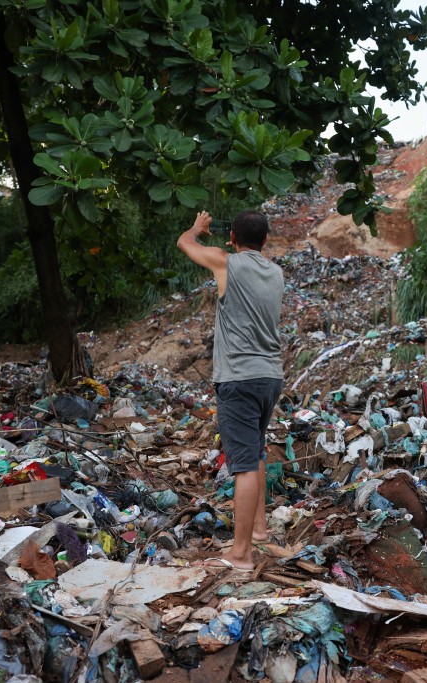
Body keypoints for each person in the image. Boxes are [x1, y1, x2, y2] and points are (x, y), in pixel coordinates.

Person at [177, 209, 284, 570]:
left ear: (233, 238)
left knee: (243, 465)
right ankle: (259, 531)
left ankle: (240, 555)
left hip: (239, 378)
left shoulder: (227, 264)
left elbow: (185, 244)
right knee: (255, 453)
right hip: (270, 377)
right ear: (265, 240)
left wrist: (198, 228)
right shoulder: (276, 273)